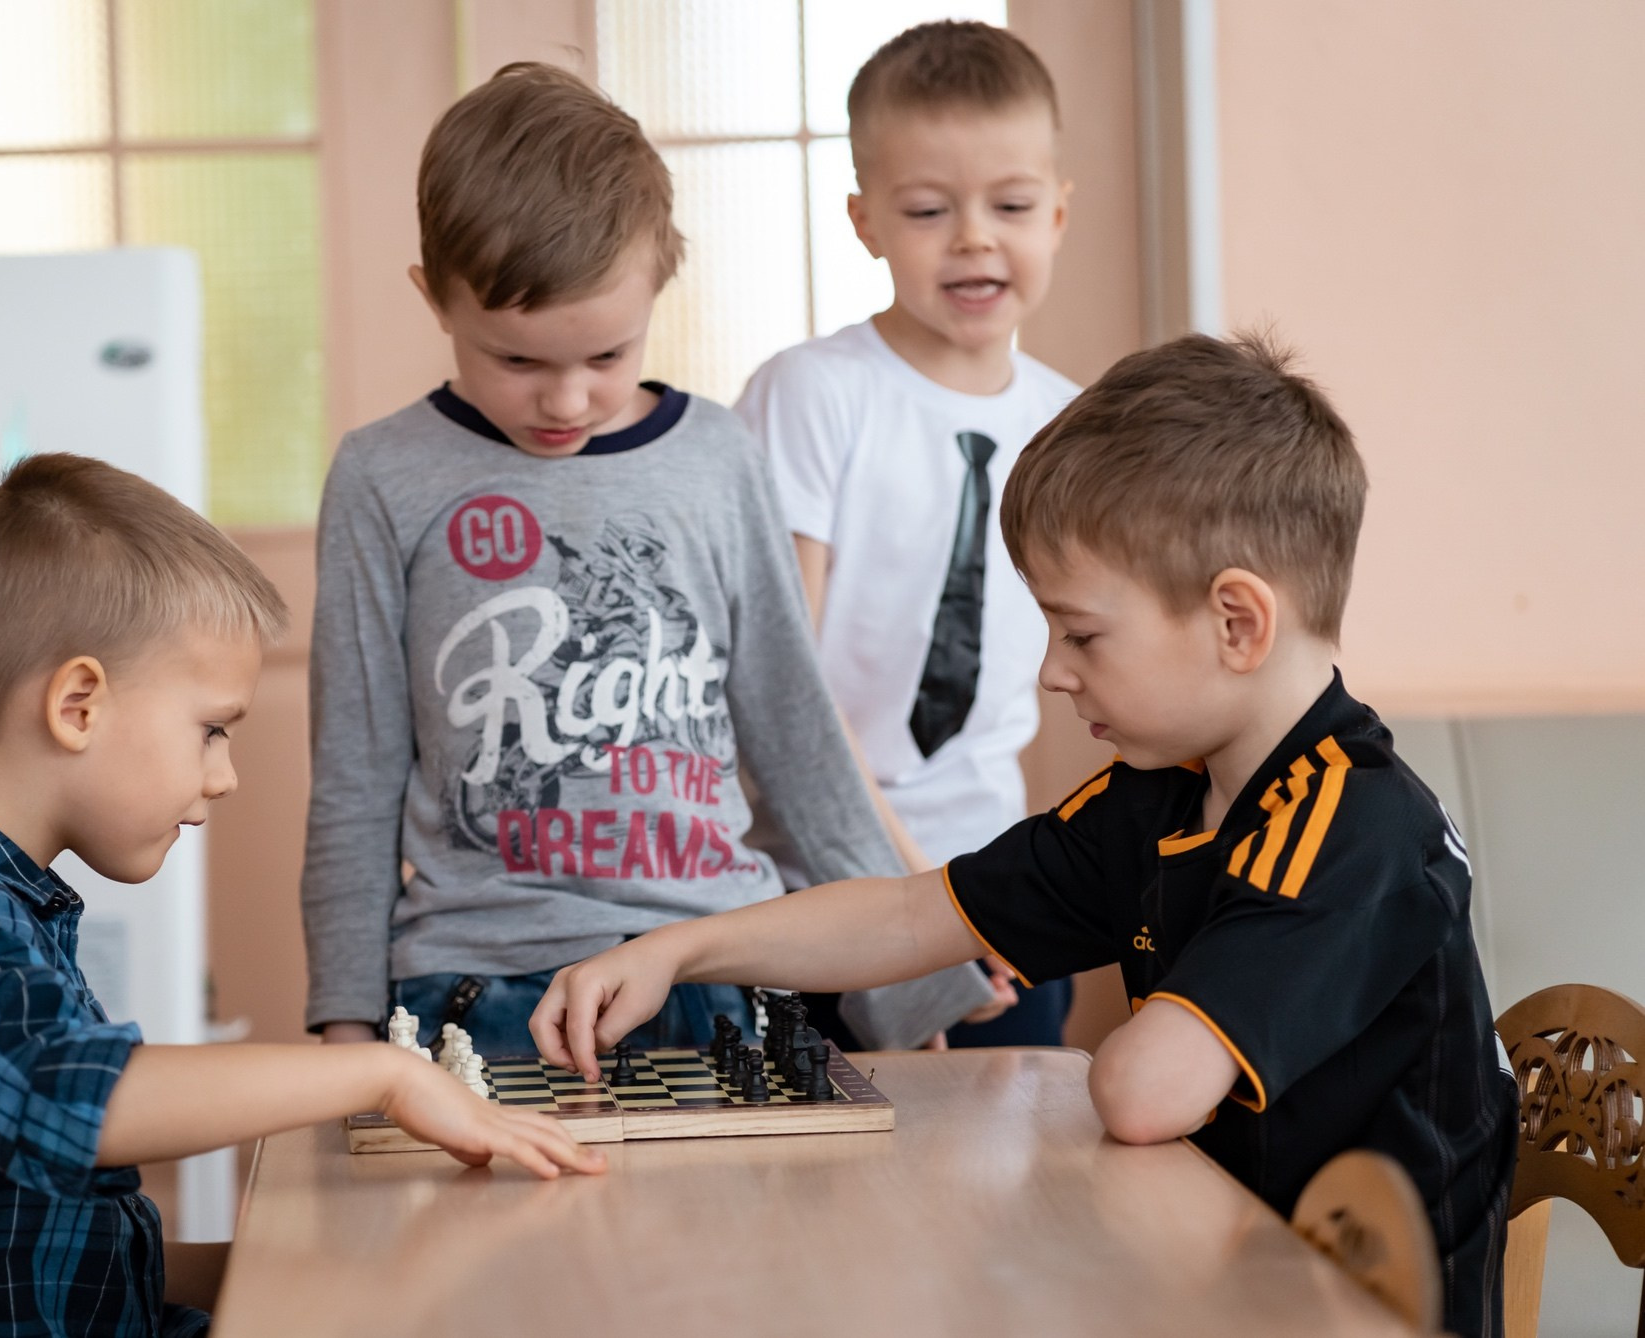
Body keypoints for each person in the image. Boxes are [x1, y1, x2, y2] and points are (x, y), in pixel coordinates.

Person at [533, 333, 1518, 1337]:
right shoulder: (1164, 793)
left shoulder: (1353, 826)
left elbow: (1142, 1095)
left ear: (1236, 624)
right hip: (1215, 1273)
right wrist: (681, 950)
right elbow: (915, 912)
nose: (1052, 672)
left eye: (1082, 634)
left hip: (1357, 1311)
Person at [0, 455, 601, 1338]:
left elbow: (68, 1243)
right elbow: (76, 1103)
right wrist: (383, 1074)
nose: (226, 775)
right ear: (78, 704)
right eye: (209, 730)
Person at [303, 63, 992, 1059]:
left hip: (721, 966)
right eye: (518, 361)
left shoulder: (718, 458)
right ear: (433, 297)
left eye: (607, 356)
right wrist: (344, 1015)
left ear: (660, 284)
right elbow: (355, 776)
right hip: (486, 987)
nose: (568, 402)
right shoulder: (381, 477)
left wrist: (902, 985)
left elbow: (799, 738)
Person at [737, 20, 1076, 1048]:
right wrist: (904, 911)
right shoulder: (813, 396)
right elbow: (783, 684)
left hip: (1000, 909)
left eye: (1012, 205)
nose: (974, 237)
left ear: (1060, 213)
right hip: (824, 896)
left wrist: (1002, 902)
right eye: (929, 209)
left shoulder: (1074, 425)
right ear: (865, 219)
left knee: (1017, 1182)